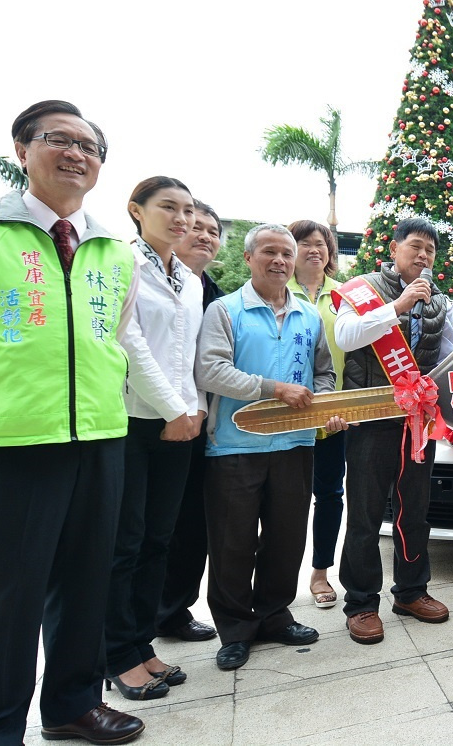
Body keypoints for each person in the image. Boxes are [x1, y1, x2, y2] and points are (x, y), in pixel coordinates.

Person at [0, 100, 145, 744]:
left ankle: (71, 703)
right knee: (0, 599)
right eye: (59, 140)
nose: (77, 154)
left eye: (90, 146)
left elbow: (111, 341)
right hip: (9, 440)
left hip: (98, 436)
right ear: (21, 150)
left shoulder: (116, 251)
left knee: (85, 581)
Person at [195, 223, 338, 670]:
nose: (279, 261)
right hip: (236, 445)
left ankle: (274, 616)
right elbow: (210, 371)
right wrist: (273, 389)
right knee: (232, 543)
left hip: (295, 445)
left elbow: (324, 374)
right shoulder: (225, 311)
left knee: (286, 538)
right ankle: (235, 629)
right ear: (250, 258)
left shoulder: (308, 315)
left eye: (286, 255)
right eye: (270, 253)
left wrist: (325, 411)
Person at [104, 177, 205, 702]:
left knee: (157, 540)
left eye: (188, 209)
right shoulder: (121, 264)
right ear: (136, 211)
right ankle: (116, 655)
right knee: (125, 542)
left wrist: (194, 409)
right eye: (169, 207)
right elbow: (129, 343)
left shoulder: (187, 277)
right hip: (132, 420)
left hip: (181, 420)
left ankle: (141, 644)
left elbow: (188, 352)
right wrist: (174, 409)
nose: (182, 219)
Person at [334, 216, 453, 644]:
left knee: (414, 508)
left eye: (430, 250)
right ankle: (362, 603)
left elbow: (448, 358)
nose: (423, 256)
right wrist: (398, 307)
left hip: (417, 420)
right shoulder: (363, 288)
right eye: (416, 246)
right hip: (371, 416)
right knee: (366, 512)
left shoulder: (440, 300)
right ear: (395, 248)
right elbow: (346, 336)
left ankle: (411, 591)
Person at [156, 200, 224, 643]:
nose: (203, 235)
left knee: (191, 525)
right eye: (196, 226)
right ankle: (135, 628)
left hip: (202, 426)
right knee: (149, 531)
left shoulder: (216, 294)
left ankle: (173, 611)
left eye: (213, 231)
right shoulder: (147, 279)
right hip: (152, 422)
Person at [286, 219, 348, 609]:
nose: (314, 250)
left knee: (329, 494)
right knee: (284, 498)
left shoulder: (347, 295)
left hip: (333, 416)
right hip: (284, 414)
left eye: (321, 244)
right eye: (305, 243)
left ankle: (321, 573)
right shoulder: (275, 290)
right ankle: (277, 575)